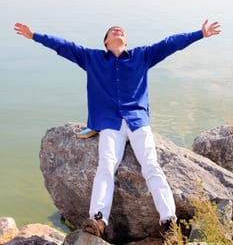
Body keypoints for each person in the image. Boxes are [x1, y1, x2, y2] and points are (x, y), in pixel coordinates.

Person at [14, 19, 221, 238]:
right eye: (112, 31)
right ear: (106, 41)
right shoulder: (92, 58)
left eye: (121, 30)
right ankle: (98, 220)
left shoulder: (142, 56)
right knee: (106, 166)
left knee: (151, 165)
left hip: (138, 121)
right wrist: (34, 35)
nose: (118, 30)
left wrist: (200, 34)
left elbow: (170, 44)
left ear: (125, 40)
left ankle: (168, 221)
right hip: (109, 124)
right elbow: (64, 46)